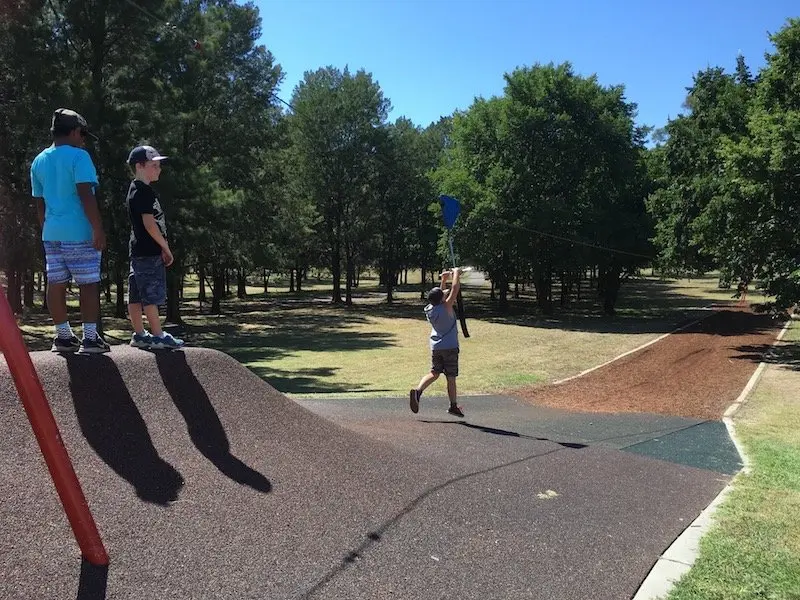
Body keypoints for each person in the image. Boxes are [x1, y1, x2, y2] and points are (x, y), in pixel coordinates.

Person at [30, 108, 109, 354]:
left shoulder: (39, 160)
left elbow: (39, 202)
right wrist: (98, 229)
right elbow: (85, 194)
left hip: (51, 233)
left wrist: (47, 229)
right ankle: (89, 338)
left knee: (56, 283)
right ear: (75, 132)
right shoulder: (79, 157)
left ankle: (63, 336)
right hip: (80, 231)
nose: (84, 139)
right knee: (88, 284)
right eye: (83, 133)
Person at [125, 145, 184, 350]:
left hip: (139, 251)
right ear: (140, 166)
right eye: (154, 165)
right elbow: (150, 224)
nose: (159, 169)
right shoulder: (143, 192)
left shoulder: (138, 190)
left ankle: (140, 334)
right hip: (148, 252)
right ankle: (158, 335)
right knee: (150, 294)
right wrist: (165, 247)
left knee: (136, 293)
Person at [410, 267, 464, 417]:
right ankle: (453, 406)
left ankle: (418, 391)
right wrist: (457, 274)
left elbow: (443, 294)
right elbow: (454, 289)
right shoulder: (446, 307)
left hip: (436, 346)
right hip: (450, 347)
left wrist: (444, 279)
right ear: (442, 299)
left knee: (434, 373)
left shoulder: (430, 309)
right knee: (451, 377)